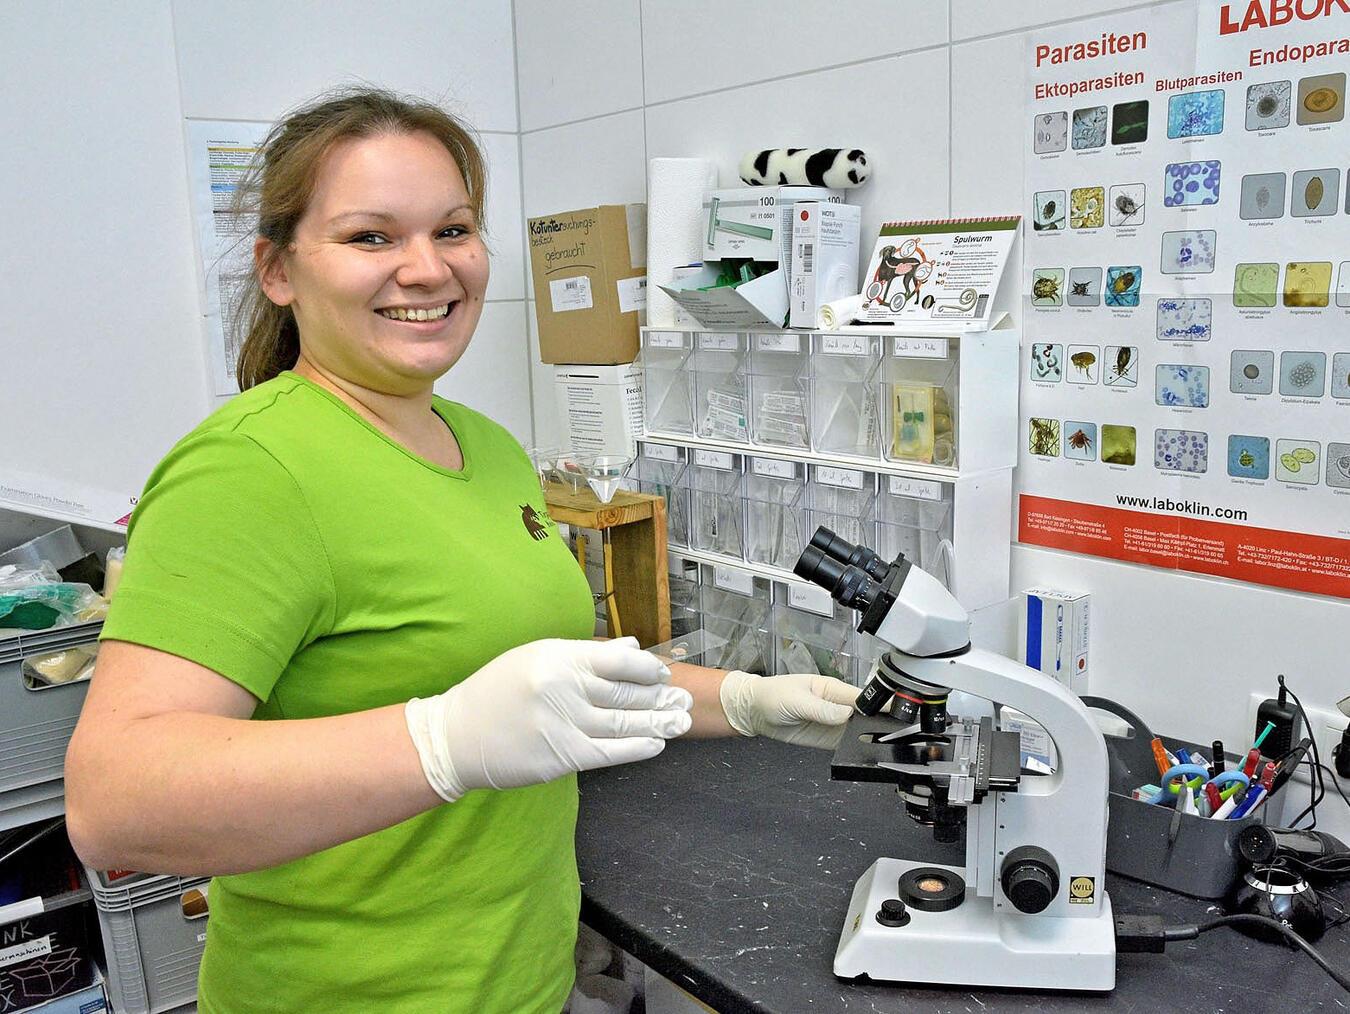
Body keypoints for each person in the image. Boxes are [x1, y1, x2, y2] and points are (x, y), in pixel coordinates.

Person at [64, 87, 860, 1014]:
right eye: (371, 237)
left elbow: (546, 689)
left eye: (453, 230)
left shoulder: (486, 448)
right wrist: (440, 743)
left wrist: (751, 702)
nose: (425, 268)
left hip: (520, 984)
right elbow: (117, 805)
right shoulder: (250, 470)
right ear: (278, 270)